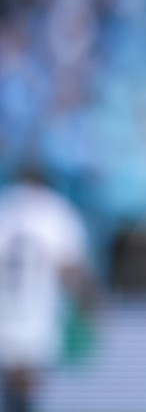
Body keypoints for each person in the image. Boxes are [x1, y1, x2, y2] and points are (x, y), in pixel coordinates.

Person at [0, 166, 96, 412]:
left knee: (13, 382)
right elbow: (69, 267)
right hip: (38, 314)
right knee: (26, 383)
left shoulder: (5, 205)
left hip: (6, 311)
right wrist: (88, 303)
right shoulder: (55, 211)